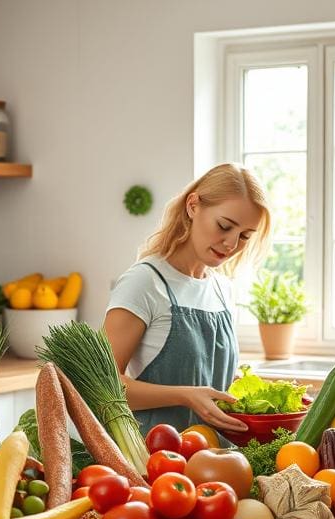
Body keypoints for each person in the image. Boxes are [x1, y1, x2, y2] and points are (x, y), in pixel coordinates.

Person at [104, 163, 272, 436]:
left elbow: (211, 377)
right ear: (193, 205)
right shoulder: (145, 283)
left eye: (244, 236)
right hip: (156, 460)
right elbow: (101, 387)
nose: (231, 244)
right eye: (224, 226)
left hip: (217, 459)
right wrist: (185, 396)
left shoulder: (222, 290)